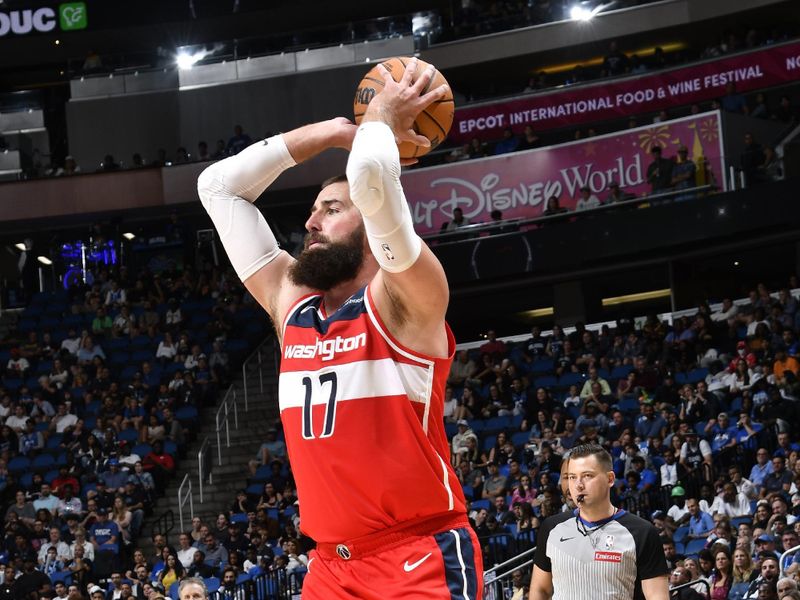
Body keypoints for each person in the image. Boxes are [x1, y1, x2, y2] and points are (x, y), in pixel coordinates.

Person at [197, 57, 481, 598]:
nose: (310, 223)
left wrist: (380, 116)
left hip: (417, 556)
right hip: (330, 568)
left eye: (330, 209)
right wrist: (330, 133)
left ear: (370, 223)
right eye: (313, 210)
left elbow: (372, 178)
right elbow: (218, 187)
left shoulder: (409, 297)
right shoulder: (292, 307)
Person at [529, 443, 669, 599]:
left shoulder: (642, 532)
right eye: (572, 477)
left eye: (587, 475)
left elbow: (657, 596)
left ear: (610, 479)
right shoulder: (551, 528)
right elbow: (540, 589)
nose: (578, 485)